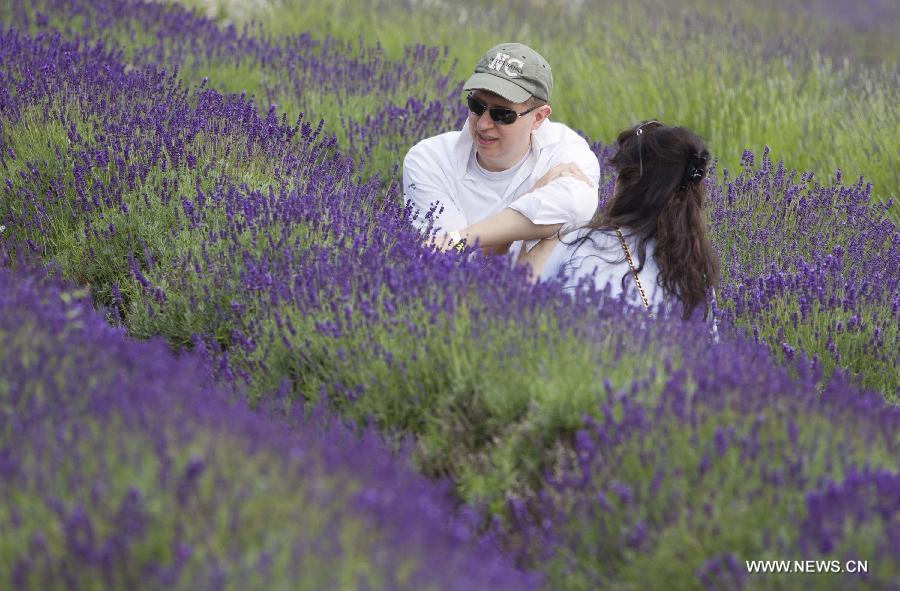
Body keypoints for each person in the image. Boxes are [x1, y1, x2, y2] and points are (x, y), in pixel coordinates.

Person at [403, 42, 599, 254]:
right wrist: (535, 194)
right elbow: (452, 263)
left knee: (553, 235)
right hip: (456, 287)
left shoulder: (564, 150)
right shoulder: (430, 159)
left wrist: (460, 239)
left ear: (539, 118)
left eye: (502, 114)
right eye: (476, 106)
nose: (482, 124)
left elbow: (578, 204)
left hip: (543, 283)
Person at [519, 121, 720, 320]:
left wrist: (544, 227)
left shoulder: (584, 246)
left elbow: (517, 307)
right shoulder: (695, 268)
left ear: (627, 184)